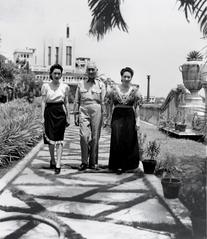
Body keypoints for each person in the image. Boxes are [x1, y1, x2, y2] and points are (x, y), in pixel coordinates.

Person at [106, 67, 142, 174]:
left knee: (129, 140)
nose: (126, 78)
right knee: (117, 140)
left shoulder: (135, 91)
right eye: (124, 76)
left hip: (129, 116)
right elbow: (109, 105)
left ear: (131, 78)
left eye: (128, 77)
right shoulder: (113, 90)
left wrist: (138, 121)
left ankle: (128, 165)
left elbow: (137, 108)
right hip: (117, 116)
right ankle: (117, 165)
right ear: (121, 77)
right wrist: (108, 119)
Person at [73, 62, 106, 171]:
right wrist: (76, 114)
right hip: (83, 109)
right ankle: (84, 162)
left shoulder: (101, 84)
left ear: (96, 71)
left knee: (95, 137)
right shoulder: (81, 84)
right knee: (84, 136)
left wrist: (105, 116)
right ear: (86, 71)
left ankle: (93, 162)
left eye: (93, 69)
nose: (91, 71)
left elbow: (103, 102)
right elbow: (76, 100)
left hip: (97, 109)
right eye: (89, 70)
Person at [41, 64, 70, 174]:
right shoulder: (45, 86)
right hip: (49, 112)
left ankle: (58, 163)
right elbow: (43, 102)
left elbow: (66, 102)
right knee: (51, 139)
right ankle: (52, 160)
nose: (57, 75)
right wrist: (42, 116)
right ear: (51, 74)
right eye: (55, 73)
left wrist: (68, 116)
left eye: (59, 73)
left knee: (59, 139)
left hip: (60, 112)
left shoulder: (65, 87)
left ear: (61, 74)